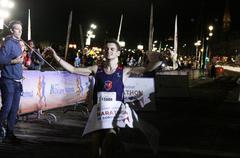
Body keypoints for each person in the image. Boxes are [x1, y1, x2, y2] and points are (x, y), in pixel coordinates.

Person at [46, 39, 161, 158]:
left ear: (118, 53)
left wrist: (159, 59)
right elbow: (73, 70)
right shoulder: (96, 69)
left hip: (115, 114)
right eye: (106, 49)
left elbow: (148, 69)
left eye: (112, 49)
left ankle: (115, 145)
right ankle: (119, 147)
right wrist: (55, 56)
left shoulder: (124, 71)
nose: (109, 51)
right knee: (95, 150)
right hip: (99, 113)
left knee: (108, 141)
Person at [0, 20, 24, 143]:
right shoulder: (9, 42)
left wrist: (20, 67)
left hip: (17, 81)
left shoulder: (18, 43)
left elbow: (18, 60)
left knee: (14, 110)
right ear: (11, 30)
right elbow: (1, 59)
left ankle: (10, 133)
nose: (20, 31)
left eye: (21, 29)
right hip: (8, 81)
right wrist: (14, 62)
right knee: (7, 108)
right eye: (17, 29)